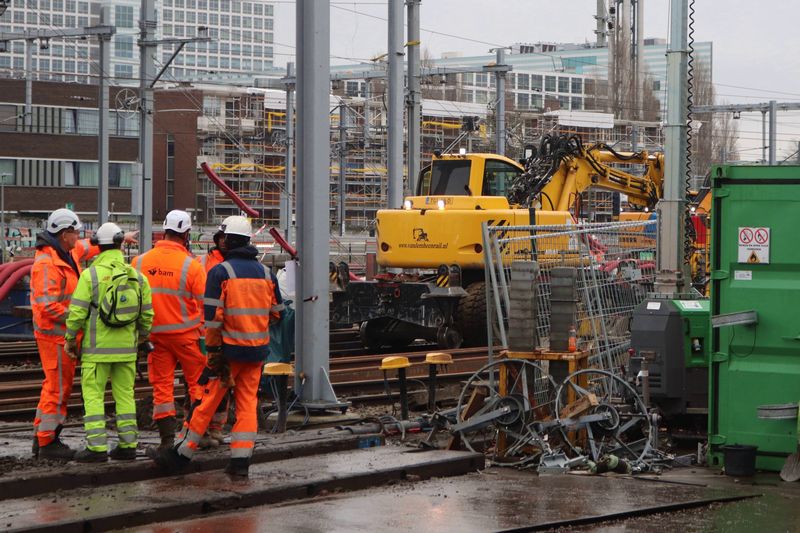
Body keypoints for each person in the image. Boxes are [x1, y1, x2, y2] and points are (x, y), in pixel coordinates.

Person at [150, 216, 282, 477]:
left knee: (206, 401)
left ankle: (181, 455)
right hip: (256, 352)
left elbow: (212, 320)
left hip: (228, 352)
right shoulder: (267, 273)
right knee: (246, 405)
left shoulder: (221, 272)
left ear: (230, 241)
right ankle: (240, 461)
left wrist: (213, 354)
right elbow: (276, 313)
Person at [30, 209, 135, 460]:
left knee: (58, 388)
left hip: (63, 335)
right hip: (54, 336)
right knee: (57, 389)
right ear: (64, 234)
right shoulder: (47, 264)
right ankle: (47, 443)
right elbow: (46, 305)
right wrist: (80, 316)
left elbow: (88, 248)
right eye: (75, 232)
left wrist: (120, 239)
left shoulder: (65, 252)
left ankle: (42, 437)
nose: (78, 236)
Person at [64, 222, 154, 462]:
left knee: (93, 396)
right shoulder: (136, 276)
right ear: (120, 244)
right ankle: (128, 446)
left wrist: (71, 339)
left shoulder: (90, 275)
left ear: (98, 246)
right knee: (125, 396)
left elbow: (77, 313)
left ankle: (96, 448)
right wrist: (142, 337)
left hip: (97, 350)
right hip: (126, 350)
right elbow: (146, 315)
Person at [132, 210, 206, 451]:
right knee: (198, 385)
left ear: (164, 231)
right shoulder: (192, 266)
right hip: (187, 337)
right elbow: (206, 304)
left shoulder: (139, 262)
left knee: (162, 387)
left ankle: (166, 440)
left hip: (154, 338)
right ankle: (193, 436)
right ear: (186, 234)